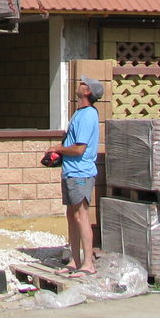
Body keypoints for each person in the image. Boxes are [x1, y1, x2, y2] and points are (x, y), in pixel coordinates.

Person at [45, 76, 102, 275]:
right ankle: (74, 261)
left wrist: (58, 149)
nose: (80, 84)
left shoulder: (88, 116)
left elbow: (79, 149)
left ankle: (88, 264)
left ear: (88, 92)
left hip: (81, 173)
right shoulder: (79, 113)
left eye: (84, 83)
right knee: (72, 215)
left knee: (81, 215)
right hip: (70, 172)